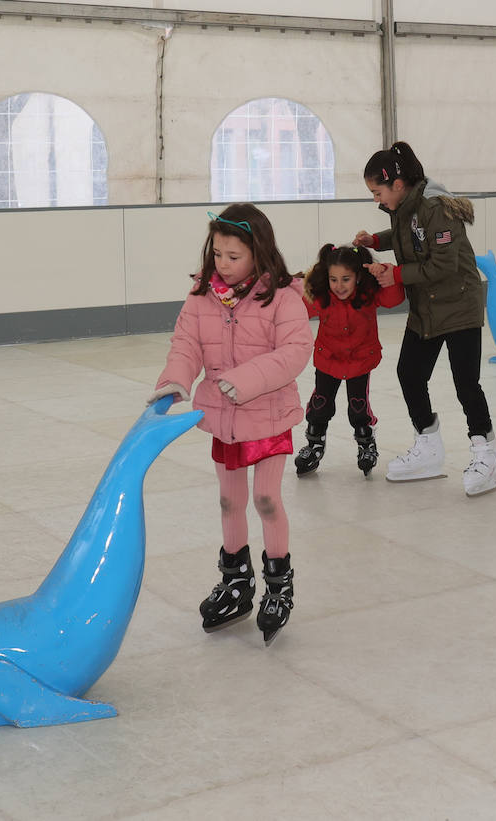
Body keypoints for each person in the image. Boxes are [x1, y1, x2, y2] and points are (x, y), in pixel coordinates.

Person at [152, 204, 312, 645]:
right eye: (217, 254)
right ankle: (237, 581)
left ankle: (279, 585)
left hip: (268, 415)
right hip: (224, 419)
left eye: (233, 256)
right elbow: (186, 345)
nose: (223, 264)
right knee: (228, 501)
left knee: (265, 498)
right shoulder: (202, 296)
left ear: (258, 253)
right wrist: (175, 381)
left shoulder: (283, 297)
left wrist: (244, 380)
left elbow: (295, 352)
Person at [353, 141, 496, 496]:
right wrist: (375, 239)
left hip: (458, 304)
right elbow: (409, 236)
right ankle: (429, 447)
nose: (376, 199)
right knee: (410, 373)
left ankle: (487, 454)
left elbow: (444, 263)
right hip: (428, 306)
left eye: (377, 191)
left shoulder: (436, 207)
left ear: (398, 185)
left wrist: (397, 275)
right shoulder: (406, 207)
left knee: (466, 384)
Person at [295, 242, 406, 477]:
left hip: (359, 361)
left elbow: (394, 298)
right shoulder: (323, 297)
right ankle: (314, 443)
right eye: (333, 279)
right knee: (320, 403)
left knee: (358, 406)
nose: (339, 286)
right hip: (328, 360)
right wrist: (286, 286)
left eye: (346, 279)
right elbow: (297, 308)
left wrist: (385, 271)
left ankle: (366, 443)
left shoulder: (368, 294)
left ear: (358, 276)